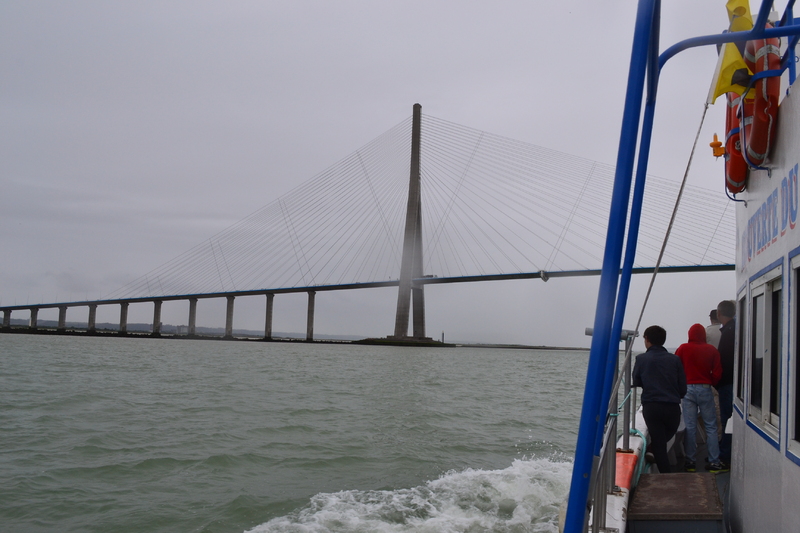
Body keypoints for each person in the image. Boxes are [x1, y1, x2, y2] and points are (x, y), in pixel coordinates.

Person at [632, 325, 687, 473]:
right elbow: (683, 389)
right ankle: (664, 471)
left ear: (647, 339)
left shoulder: (641, 359)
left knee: (658, 441)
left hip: (651, 406)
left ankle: (665, 476)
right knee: (666, 436)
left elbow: (636, 381)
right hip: (672, 407)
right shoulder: (675, 360)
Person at [675, 324, 725, 473]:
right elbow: (717, 373)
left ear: (690, 334)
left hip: (688, 389)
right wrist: (710, 382)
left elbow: (676, 368)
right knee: (711, 426)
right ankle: (714, 462)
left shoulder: (683, 348)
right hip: (705, 388)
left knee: (690, 426)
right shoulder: (712, 350)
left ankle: (690, 462)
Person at [715, 299, 736, 466]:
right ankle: (724, 451)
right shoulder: (735, 328)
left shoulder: (729, 332)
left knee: (727, 418)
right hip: (733, 382)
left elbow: (724, 361)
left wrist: (717, 381)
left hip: (727, 383)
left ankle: (724, 455)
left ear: (718, 313)